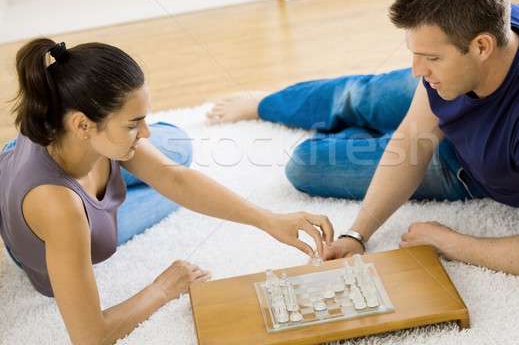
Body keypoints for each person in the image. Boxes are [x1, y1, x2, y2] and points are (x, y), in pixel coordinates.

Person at [206, 0, 519, 280]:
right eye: (415, 53)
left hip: (465, 166)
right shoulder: (479, 29)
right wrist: (358, 233)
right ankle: (266, 102)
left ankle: (360, 131)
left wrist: (448, 241)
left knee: (306, 164)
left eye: (429, 58)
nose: (415, 70)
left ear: (481, 45)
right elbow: (412, 137)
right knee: (358, 94)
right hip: (458, 92)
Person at [0, 38, 333, 344]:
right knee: (154, 181)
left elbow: (175, 179)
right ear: (83, 125)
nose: (145, 132)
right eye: (133, 124)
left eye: (143, 119)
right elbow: (91, 337)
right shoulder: (62, 211)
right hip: (45, 234)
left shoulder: (64, 117)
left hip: (49, 163)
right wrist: (163, 288)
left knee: (179, 150)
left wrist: (268, 219)